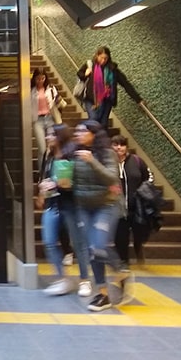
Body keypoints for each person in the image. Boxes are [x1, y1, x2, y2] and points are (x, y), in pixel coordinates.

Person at [72, 121, 132, 311]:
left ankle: (121, 270)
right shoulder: (75, 153)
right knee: (92, 251)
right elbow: (72, 180)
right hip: (84, 207)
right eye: (78, 131)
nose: (79, 134)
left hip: (106, 206)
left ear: (94, 134)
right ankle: (103, 294)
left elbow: (111, 178)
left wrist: (92, 161)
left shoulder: (107, 153)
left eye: (83, 131)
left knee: (98, 245)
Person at [38, 124, 89, 296]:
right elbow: (46, 176)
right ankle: (62, 278)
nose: (47, 137)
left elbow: (74, 181)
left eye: (51, 134)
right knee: (50, 241)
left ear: (60, 136)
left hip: (71, 205)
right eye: (47, 135)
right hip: (52, 204)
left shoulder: (72, 155)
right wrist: (43, 189)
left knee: (78, 244)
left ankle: (84, 280)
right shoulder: (50, 155)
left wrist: (56, 183)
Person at [111, 135, 153, 266]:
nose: (119, 147)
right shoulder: (108, 164)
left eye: (122, 145)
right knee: (120, 236)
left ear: (127, 147)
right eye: (115, 144)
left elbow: (149, 178)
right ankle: (124, 261)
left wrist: (143, 192)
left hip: (137, 206)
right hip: (118, 208)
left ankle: (138, 248)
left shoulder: (137, 161)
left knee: (139, 233)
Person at [77, 46, 143, 128]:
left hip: (106, 100)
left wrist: (138, 99)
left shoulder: (112, 69)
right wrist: (85, 74)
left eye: (106, 58)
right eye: (101, 58)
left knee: (103, 124)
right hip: (91, 99)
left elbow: (125, 83)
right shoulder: (90, 65)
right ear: (97, 56)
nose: (103, 60)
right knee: (94, 118)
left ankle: (99, 140)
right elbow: (80, 74)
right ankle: (81, 128)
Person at [30, 68, 63, 166]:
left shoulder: (51, 88)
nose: (40, 81)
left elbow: (57, 102)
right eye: (38, 79)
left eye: (42, 78)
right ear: (34, 79)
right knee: (42, 148)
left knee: (51, 146)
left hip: (50, 119)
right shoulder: (31, 90)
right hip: (37, 120)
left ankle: (50, 170)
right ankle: (42, 174)